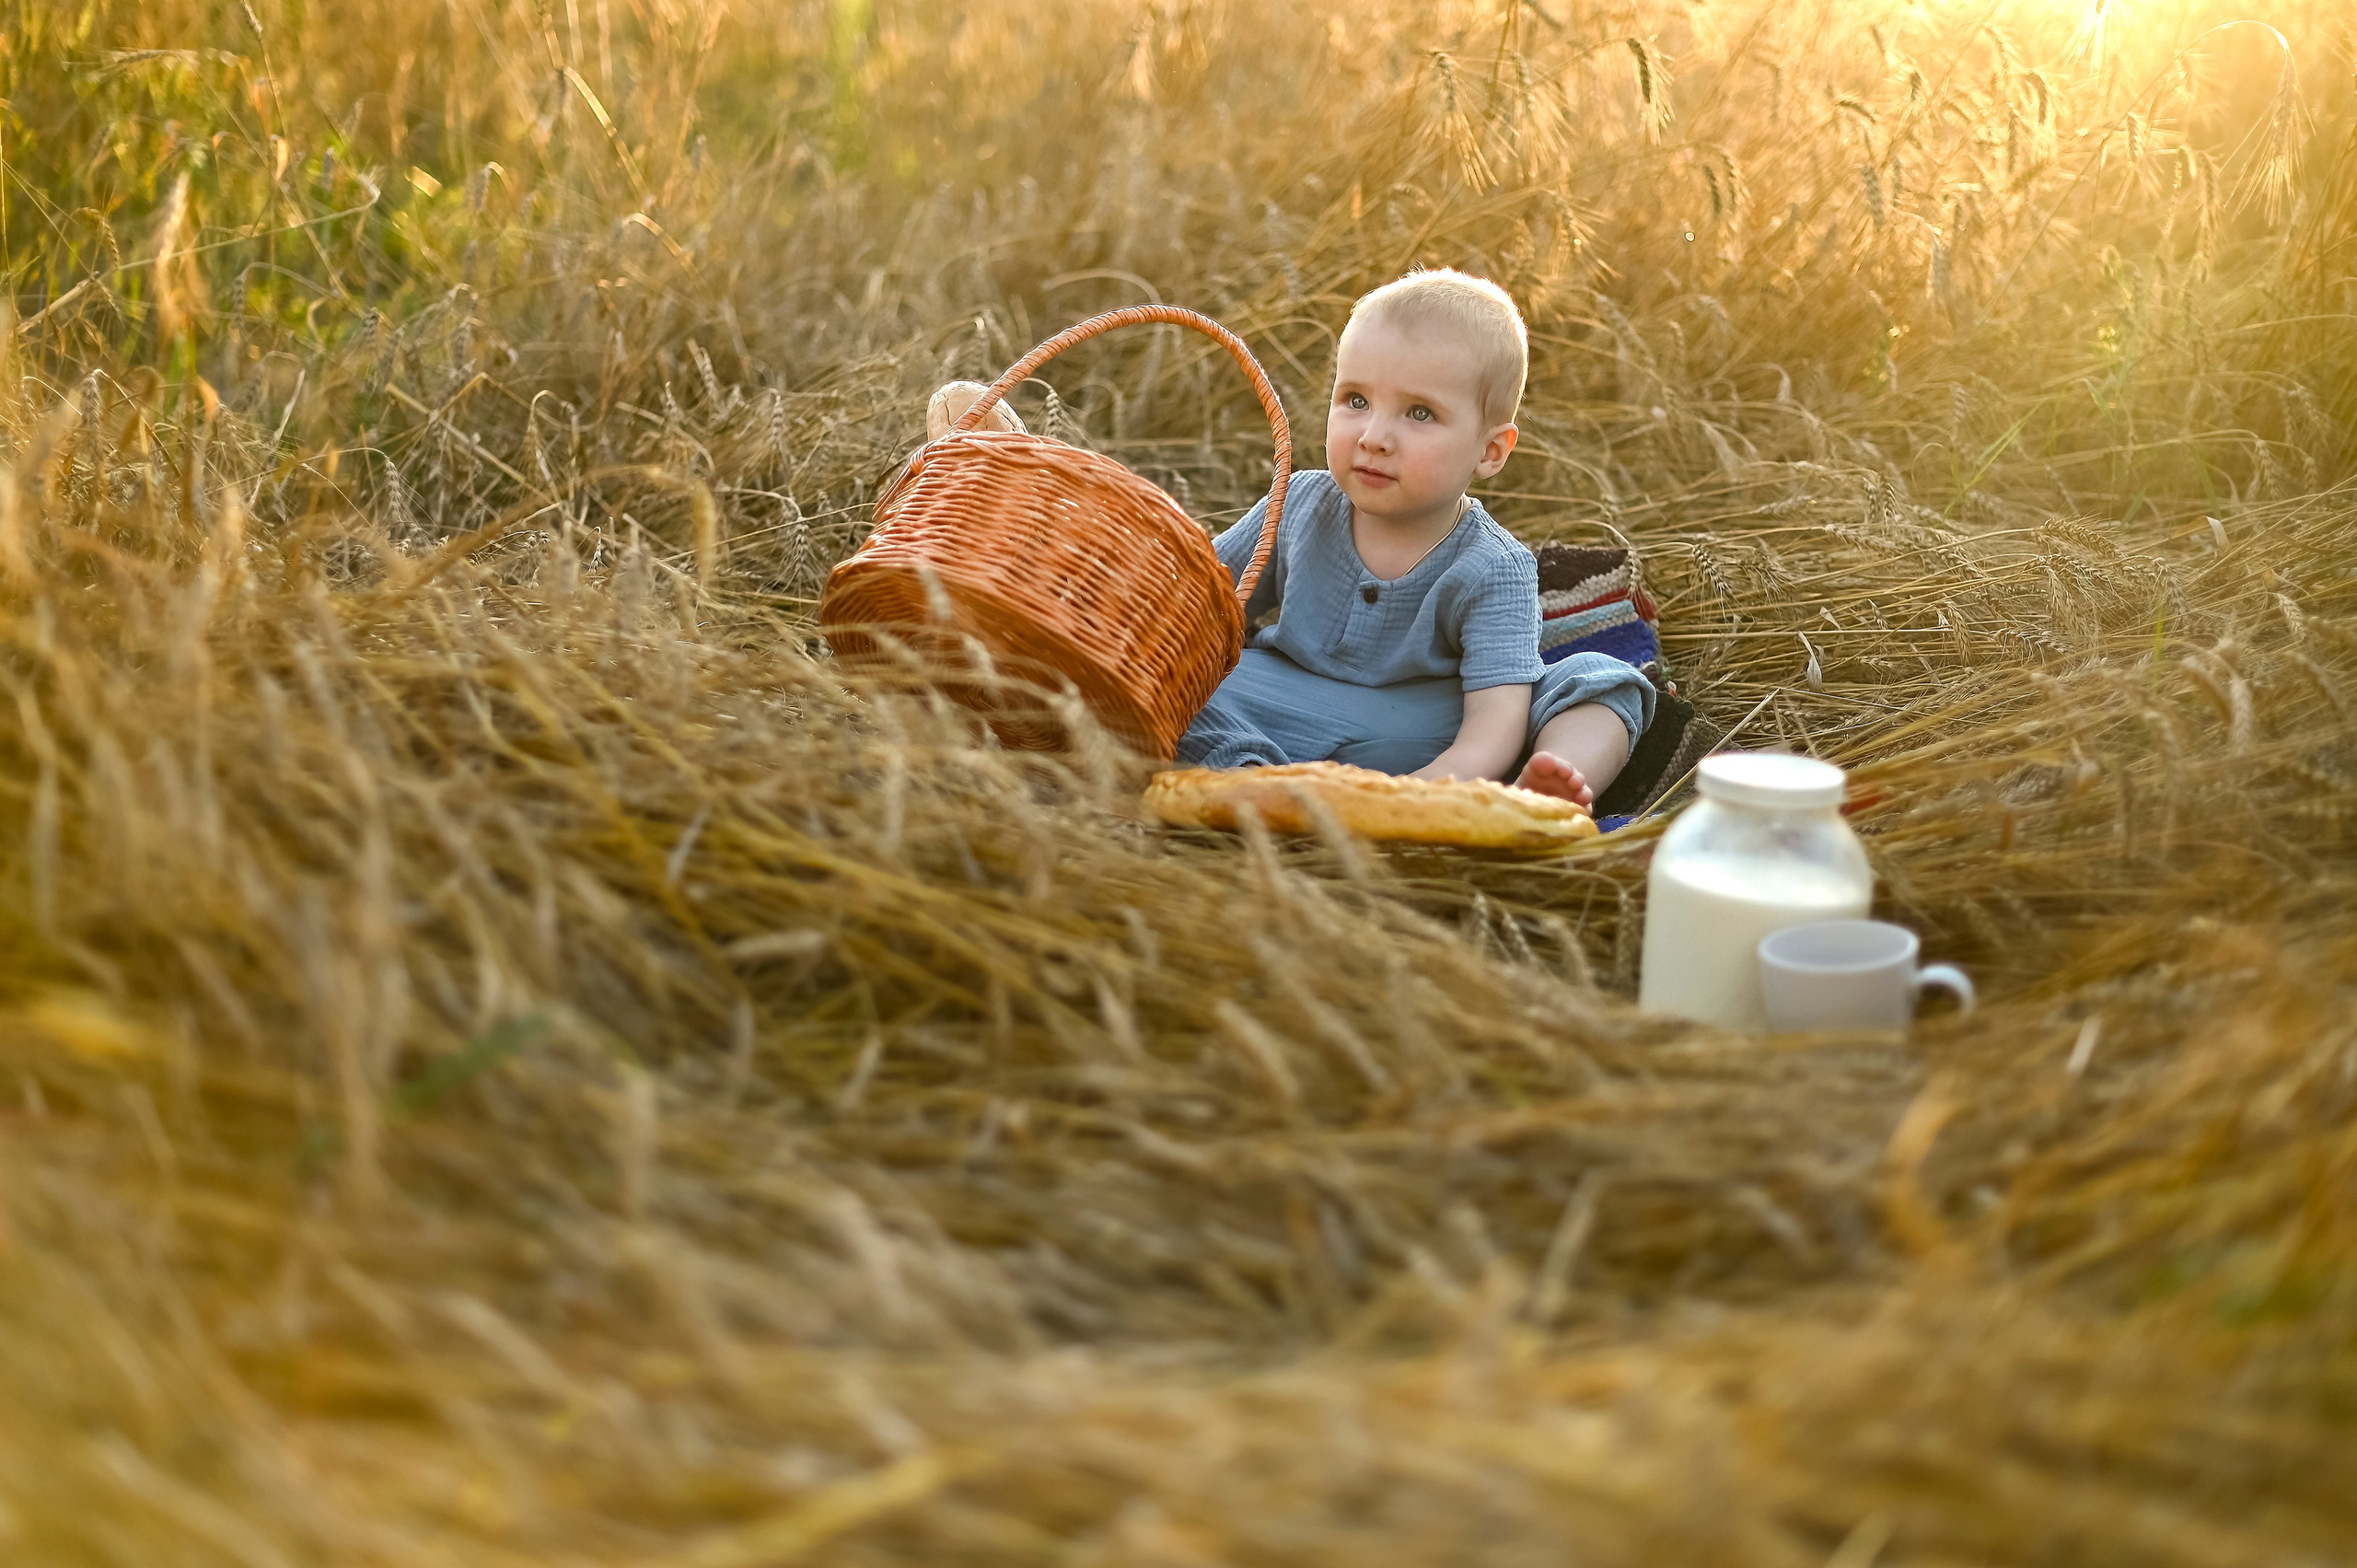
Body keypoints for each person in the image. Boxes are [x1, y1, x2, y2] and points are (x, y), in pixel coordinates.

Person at [928, 269, 1653, 807]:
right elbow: (1199, 608)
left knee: (1600, 682)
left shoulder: (1493, 566)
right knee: (1187, 685)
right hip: (1275, 704)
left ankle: (1546, 793)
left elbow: (1492, 728)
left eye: (1421, 414)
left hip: (1419, 738)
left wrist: (1429, 791)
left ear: (1490, 451)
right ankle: (1253, 787)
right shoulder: (1304, 501)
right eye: (1356, 399)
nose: (1374, 436)